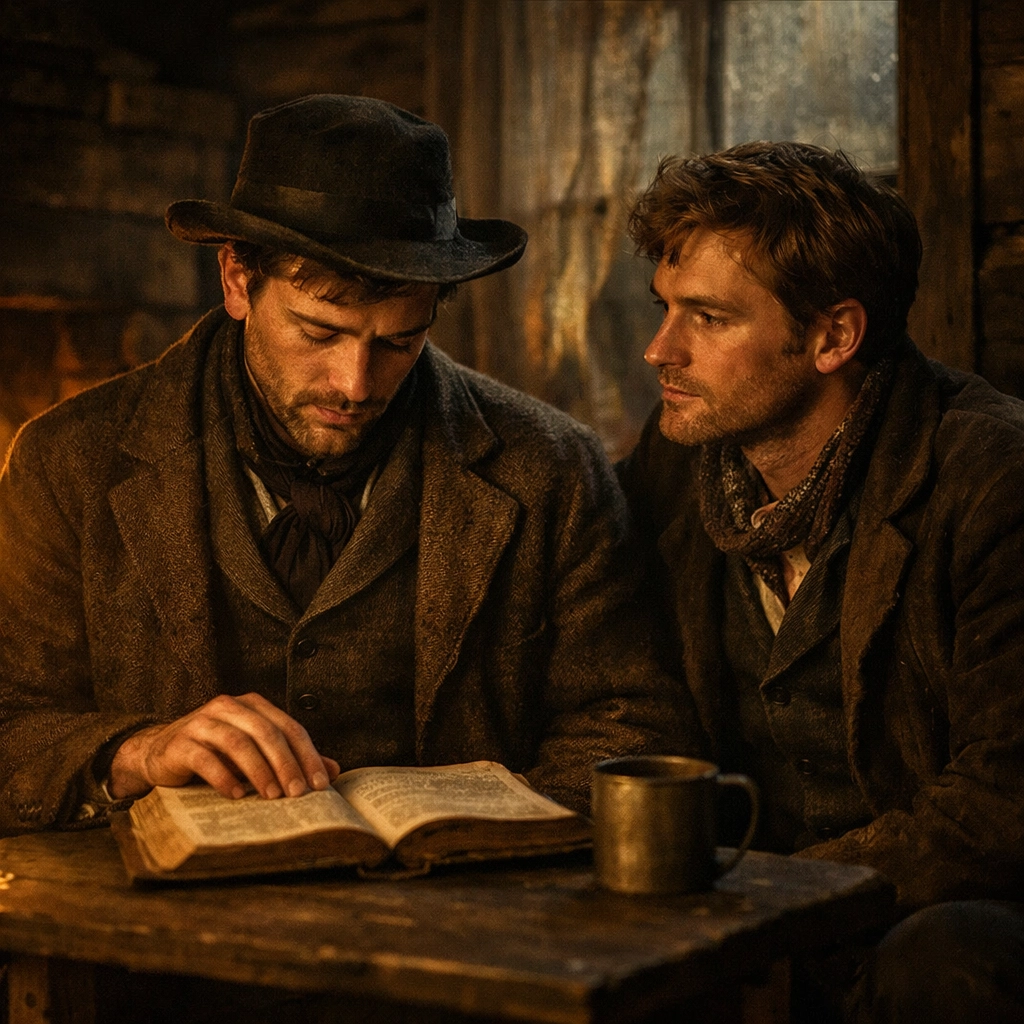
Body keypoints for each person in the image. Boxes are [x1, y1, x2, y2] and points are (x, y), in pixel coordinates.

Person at [0, 94, 685, 838]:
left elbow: (632, 727)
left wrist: (477, 855)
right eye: (318, 332)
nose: (355, 385)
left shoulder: (551, 468)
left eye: (397, 342)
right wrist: (135, 753)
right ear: (237, 279)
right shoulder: (68, 462)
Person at [617, 141, 1024, 1023]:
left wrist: (779, 907)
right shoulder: (676, 460)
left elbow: (1004, 803)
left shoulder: (991, 476)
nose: (661, 350)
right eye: (664, 310)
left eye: (709, 319)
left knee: (952, 959)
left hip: (914, 921)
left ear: (834, 335)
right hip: (739, 915)